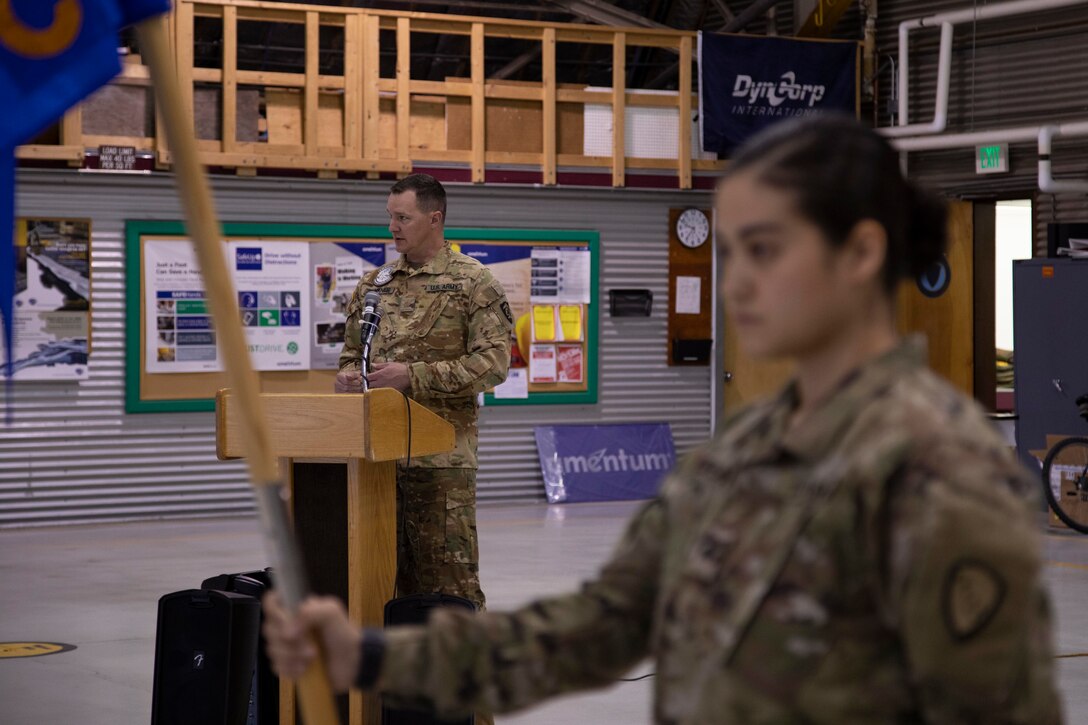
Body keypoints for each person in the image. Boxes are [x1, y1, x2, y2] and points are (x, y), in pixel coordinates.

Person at [266, 116, 1061, 723]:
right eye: (735, 250)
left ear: (860, 255)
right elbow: (597, 627)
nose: (739, 282)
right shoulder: (733, 456)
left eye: (769, 249)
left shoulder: (944, 468)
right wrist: (371, 651)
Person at [335, 173, 512, 611]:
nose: (393, 227)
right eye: (390, 217)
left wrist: (414, 376)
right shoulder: (374, 285)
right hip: (378, 463)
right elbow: (350, 353)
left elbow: (494, 365)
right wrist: (346, 379)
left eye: (403, 218)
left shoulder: (475, 283)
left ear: (435, 219)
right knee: (381, 583)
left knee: (450, 586)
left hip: (442, 466)